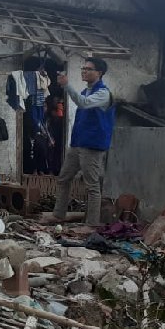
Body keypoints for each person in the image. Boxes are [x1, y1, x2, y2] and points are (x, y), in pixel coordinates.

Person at [52, 57, 115, 225]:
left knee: (92, 186)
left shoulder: (103, 94)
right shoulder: (85, 91)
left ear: (99, 73)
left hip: (92, 145)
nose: (84, 71)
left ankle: (92, 224)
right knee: (64, 178)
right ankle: (58, 215)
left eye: (88, 69)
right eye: (83, 68)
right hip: (78, 143)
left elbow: (84, 104)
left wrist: (66, 85)